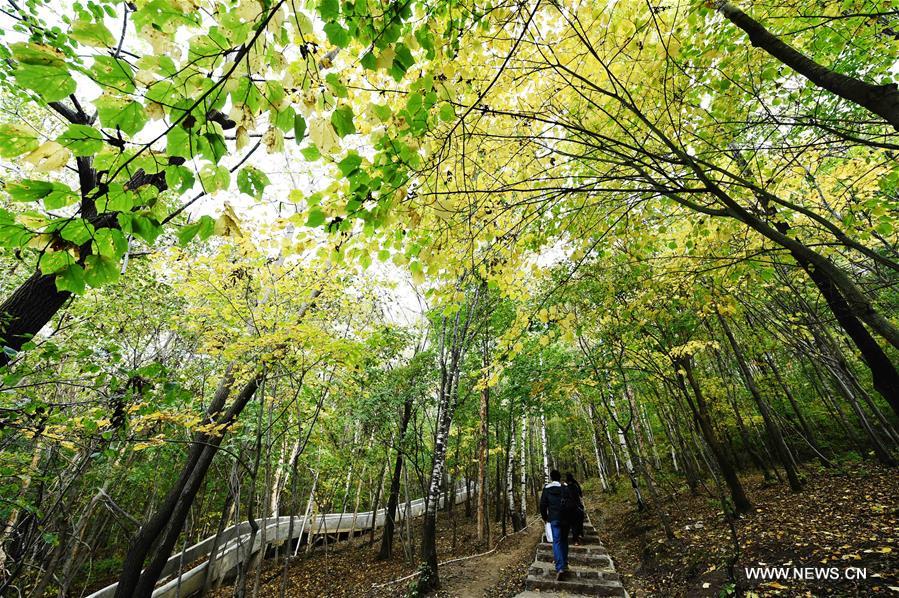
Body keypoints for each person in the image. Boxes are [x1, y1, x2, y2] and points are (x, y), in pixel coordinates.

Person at [540, 469, 571, 580]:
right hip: (566, 519)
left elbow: (543, 505)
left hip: (554, 519)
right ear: (559, 477)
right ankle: (565, 563)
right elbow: (570, 502)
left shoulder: (547, 489)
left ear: (551, 477)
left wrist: (545, 518)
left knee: (556, 542)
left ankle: (560, 567)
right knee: (564, 540)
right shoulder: (565, 487)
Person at [565, 472, 585, 545]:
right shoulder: (576, 485)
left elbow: (564, 498)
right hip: (577, 506)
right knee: (578, 522)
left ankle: (575, 539)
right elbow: (580, 495)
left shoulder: (566, 487)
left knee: (573, 524)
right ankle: (579, 535)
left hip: (569, 508)